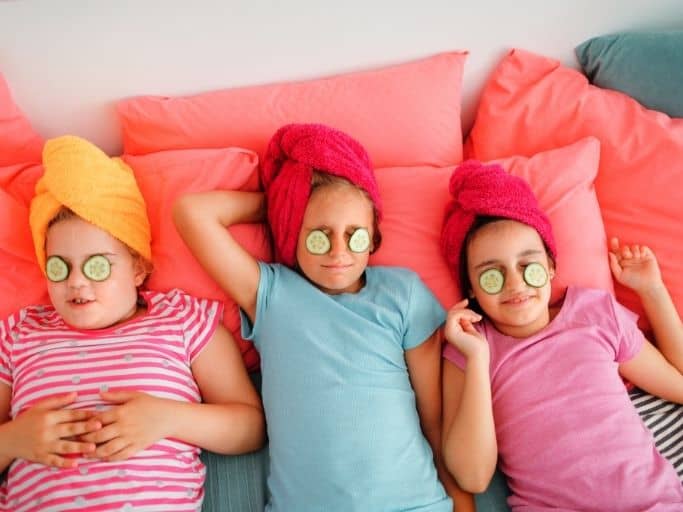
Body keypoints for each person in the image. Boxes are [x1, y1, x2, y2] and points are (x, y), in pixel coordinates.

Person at [174, 123, 469, 511]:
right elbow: (191, 213)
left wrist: (463, 503)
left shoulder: (403, 292)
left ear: (373, 239)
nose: (338, 252)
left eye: (355, 235)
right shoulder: (271, 293)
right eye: (319, 234)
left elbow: (434, 419)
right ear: (292, 233)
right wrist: (281, 202)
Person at [0, 136, 265, 512]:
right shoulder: (19, 334)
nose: (76, 282)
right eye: (59, 267)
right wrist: (11, 440)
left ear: (138, 268)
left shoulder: (181, 321)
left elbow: (250, 427)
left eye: (97, 265)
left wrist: (168, 417)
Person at [439, 160, 683, 511]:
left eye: (529, 266)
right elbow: (473, 476)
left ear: (551, 266)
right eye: (492, 275)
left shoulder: (595, 313)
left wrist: (653, 291)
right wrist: (478, 361)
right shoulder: (469, 347)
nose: (516, 284)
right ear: (473, 289)